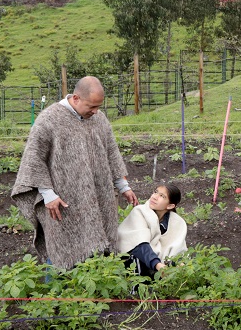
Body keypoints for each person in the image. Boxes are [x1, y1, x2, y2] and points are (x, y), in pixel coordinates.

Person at [11, 76, 140, 271]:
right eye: (92, 106)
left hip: (99, 196)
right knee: (62, 248)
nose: (95, 111)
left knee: (101, 245)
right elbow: (34, 159)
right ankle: (58, 288)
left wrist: (123, 186)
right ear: (76, 98)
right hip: (63, 201)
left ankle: (96, 285)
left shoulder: (99, 119)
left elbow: (111, 152)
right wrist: (48, 194)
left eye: (98, 106)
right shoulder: (49, 120)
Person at [118, 184, 188, 277]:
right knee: (136, 259)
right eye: (155, 192)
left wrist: (179, 263)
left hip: (159, 262)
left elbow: (177, 248)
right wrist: (158, 265)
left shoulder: (177, 222)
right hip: (138, 257)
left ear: (170, 206)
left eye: (162, 196)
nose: (155, 197)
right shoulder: (140, 212)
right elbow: (140, 245)